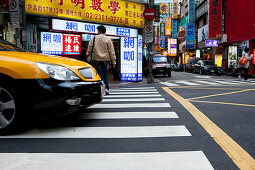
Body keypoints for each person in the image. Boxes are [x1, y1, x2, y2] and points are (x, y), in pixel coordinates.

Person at [86, 25, 116, 95]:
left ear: (99, 31)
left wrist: (88, 56)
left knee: (100, 75)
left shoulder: (94, 38)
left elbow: (89, 49)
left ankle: (102, 89)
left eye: (98, 30)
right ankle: (106, 88)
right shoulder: (108, 39)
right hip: (105, 60)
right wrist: (113, 61)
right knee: (105, 74)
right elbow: (111, 51)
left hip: (96, 60)